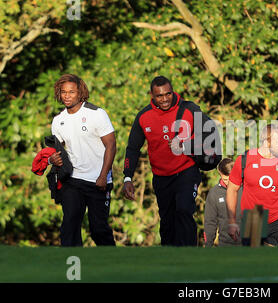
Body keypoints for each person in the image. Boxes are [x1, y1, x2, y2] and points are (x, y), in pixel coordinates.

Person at [122, 76, 202, 246]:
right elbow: (132, 149)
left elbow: (208, 135)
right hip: (161, 176)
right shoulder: (144, 116)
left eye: (168, 94)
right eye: (159, 96)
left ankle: (190, 258)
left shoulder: (190, 109)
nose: (165, 99)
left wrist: (192, 146)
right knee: (167, 220)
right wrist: (127, 177)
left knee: (184, 211)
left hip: (186, 171)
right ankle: (169, 258)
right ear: (152, 95)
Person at [49, 74, 116, 247]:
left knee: (99, 229)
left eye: (71, 92)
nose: (67, 95)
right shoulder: (58, 121)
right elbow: (59, 152)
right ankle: (73, 270)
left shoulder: (97, 114)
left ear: (81, 92)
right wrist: (52, 159)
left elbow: (111, 146)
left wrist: (103, 176)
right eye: (63, 92)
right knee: (69, 226)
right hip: (73, 180)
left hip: (98, 181)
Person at [226, 124, 278, 246]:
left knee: (276, 262)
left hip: (277, 219)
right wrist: (231, 221)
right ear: (266, 141)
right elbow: (232, 189)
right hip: (253, 217)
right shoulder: (245, 160)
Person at [204, 158, 242, 247]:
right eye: (226, 179)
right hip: (226, 245)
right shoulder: (214, 193)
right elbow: (210, 222)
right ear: (220, 173)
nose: (230, 183)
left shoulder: (247, 188)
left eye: (232, 179)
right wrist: (207, 246)